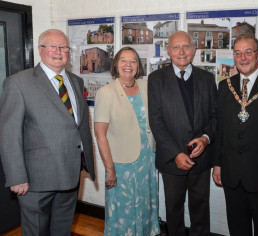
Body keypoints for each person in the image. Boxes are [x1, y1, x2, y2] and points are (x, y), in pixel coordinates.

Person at [0, 29, 95, 235]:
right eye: (52, 46)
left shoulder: (76, 82)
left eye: (63, 47)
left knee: (62, 229)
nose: (58, 51)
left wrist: (86, 160)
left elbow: (77, 125)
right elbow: (9, 135)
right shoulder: (17, 83)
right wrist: (16, 176)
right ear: (40, 49)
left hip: (70, 174)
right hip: (36, 180)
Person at [212, 34, 258, 236]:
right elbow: (220, 129)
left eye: (248, 52)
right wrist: (217, 163)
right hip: (232, 174)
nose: (243, 58)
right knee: (237, 229)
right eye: (238, 53)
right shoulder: (224, 87)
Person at [148, 31, 217, 236]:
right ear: (168, 51)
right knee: (174, 212)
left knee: (200, 211)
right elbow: (156, 121)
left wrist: (205, 139)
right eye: (176, 47)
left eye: (186, 46)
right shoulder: (156, 79)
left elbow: (215, 116)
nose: (181, 52)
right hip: (171, 160)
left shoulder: (207, 78)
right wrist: (176, 153)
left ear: (194, 50)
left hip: (201, 160)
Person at [94, 47, 160, 235]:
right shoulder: (106, 93)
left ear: (138, 66)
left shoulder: (146, 87)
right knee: (124, 210)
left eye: (133, 61)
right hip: (121, 165)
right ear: (116, 64)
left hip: (147, 161)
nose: (128, 65)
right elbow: (100, 135)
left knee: (146, 206)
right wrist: (110, 170)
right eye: (124, 60)